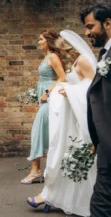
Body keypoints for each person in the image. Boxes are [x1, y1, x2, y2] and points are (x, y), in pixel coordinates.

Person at [26, 30, 111, 216]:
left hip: (82, 120)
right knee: (65, 157)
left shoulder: (82, 61)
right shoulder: (73, 62)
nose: (58, 46)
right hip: (72, 116)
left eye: (61, 43)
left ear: (68, 45)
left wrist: (69, 92)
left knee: (77, 160)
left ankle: (71, 200)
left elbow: (93, 89)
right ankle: (53, 196)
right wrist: (65, 90)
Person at [80, 0, 111, 217]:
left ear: (107, 23)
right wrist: (99, 140)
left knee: (100, 208)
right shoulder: (108, 53)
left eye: (90, 26)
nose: (87, 32)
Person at [21, 29, 66, 184]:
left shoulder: (53, 57)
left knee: (38, 131)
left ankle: (36, 171)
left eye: (41, 39)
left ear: (48, 41)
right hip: (45, 99)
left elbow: (63, 78)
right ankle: (43, 170)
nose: (38, 42)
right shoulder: (47, 56)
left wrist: (47, 91)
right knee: (45, 132)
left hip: (51, 98)